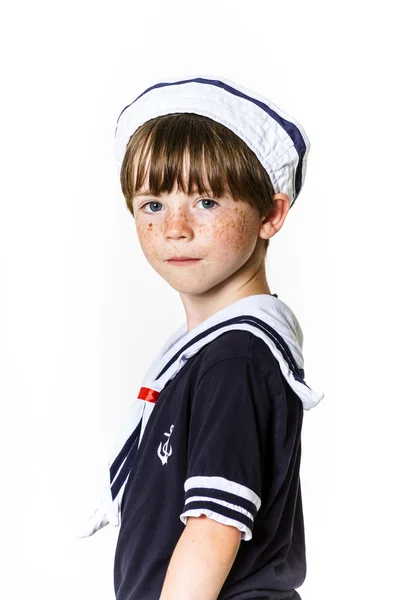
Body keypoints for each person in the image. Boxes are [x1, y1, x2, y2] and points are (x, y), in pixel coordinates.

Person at [77, 74, 325, 600]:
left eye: (207, 202)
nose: (175, 228)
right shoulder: (213, 355)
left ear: (271, 214)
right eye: (153, 204)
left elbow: (214, 527)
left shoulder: (236, 359)